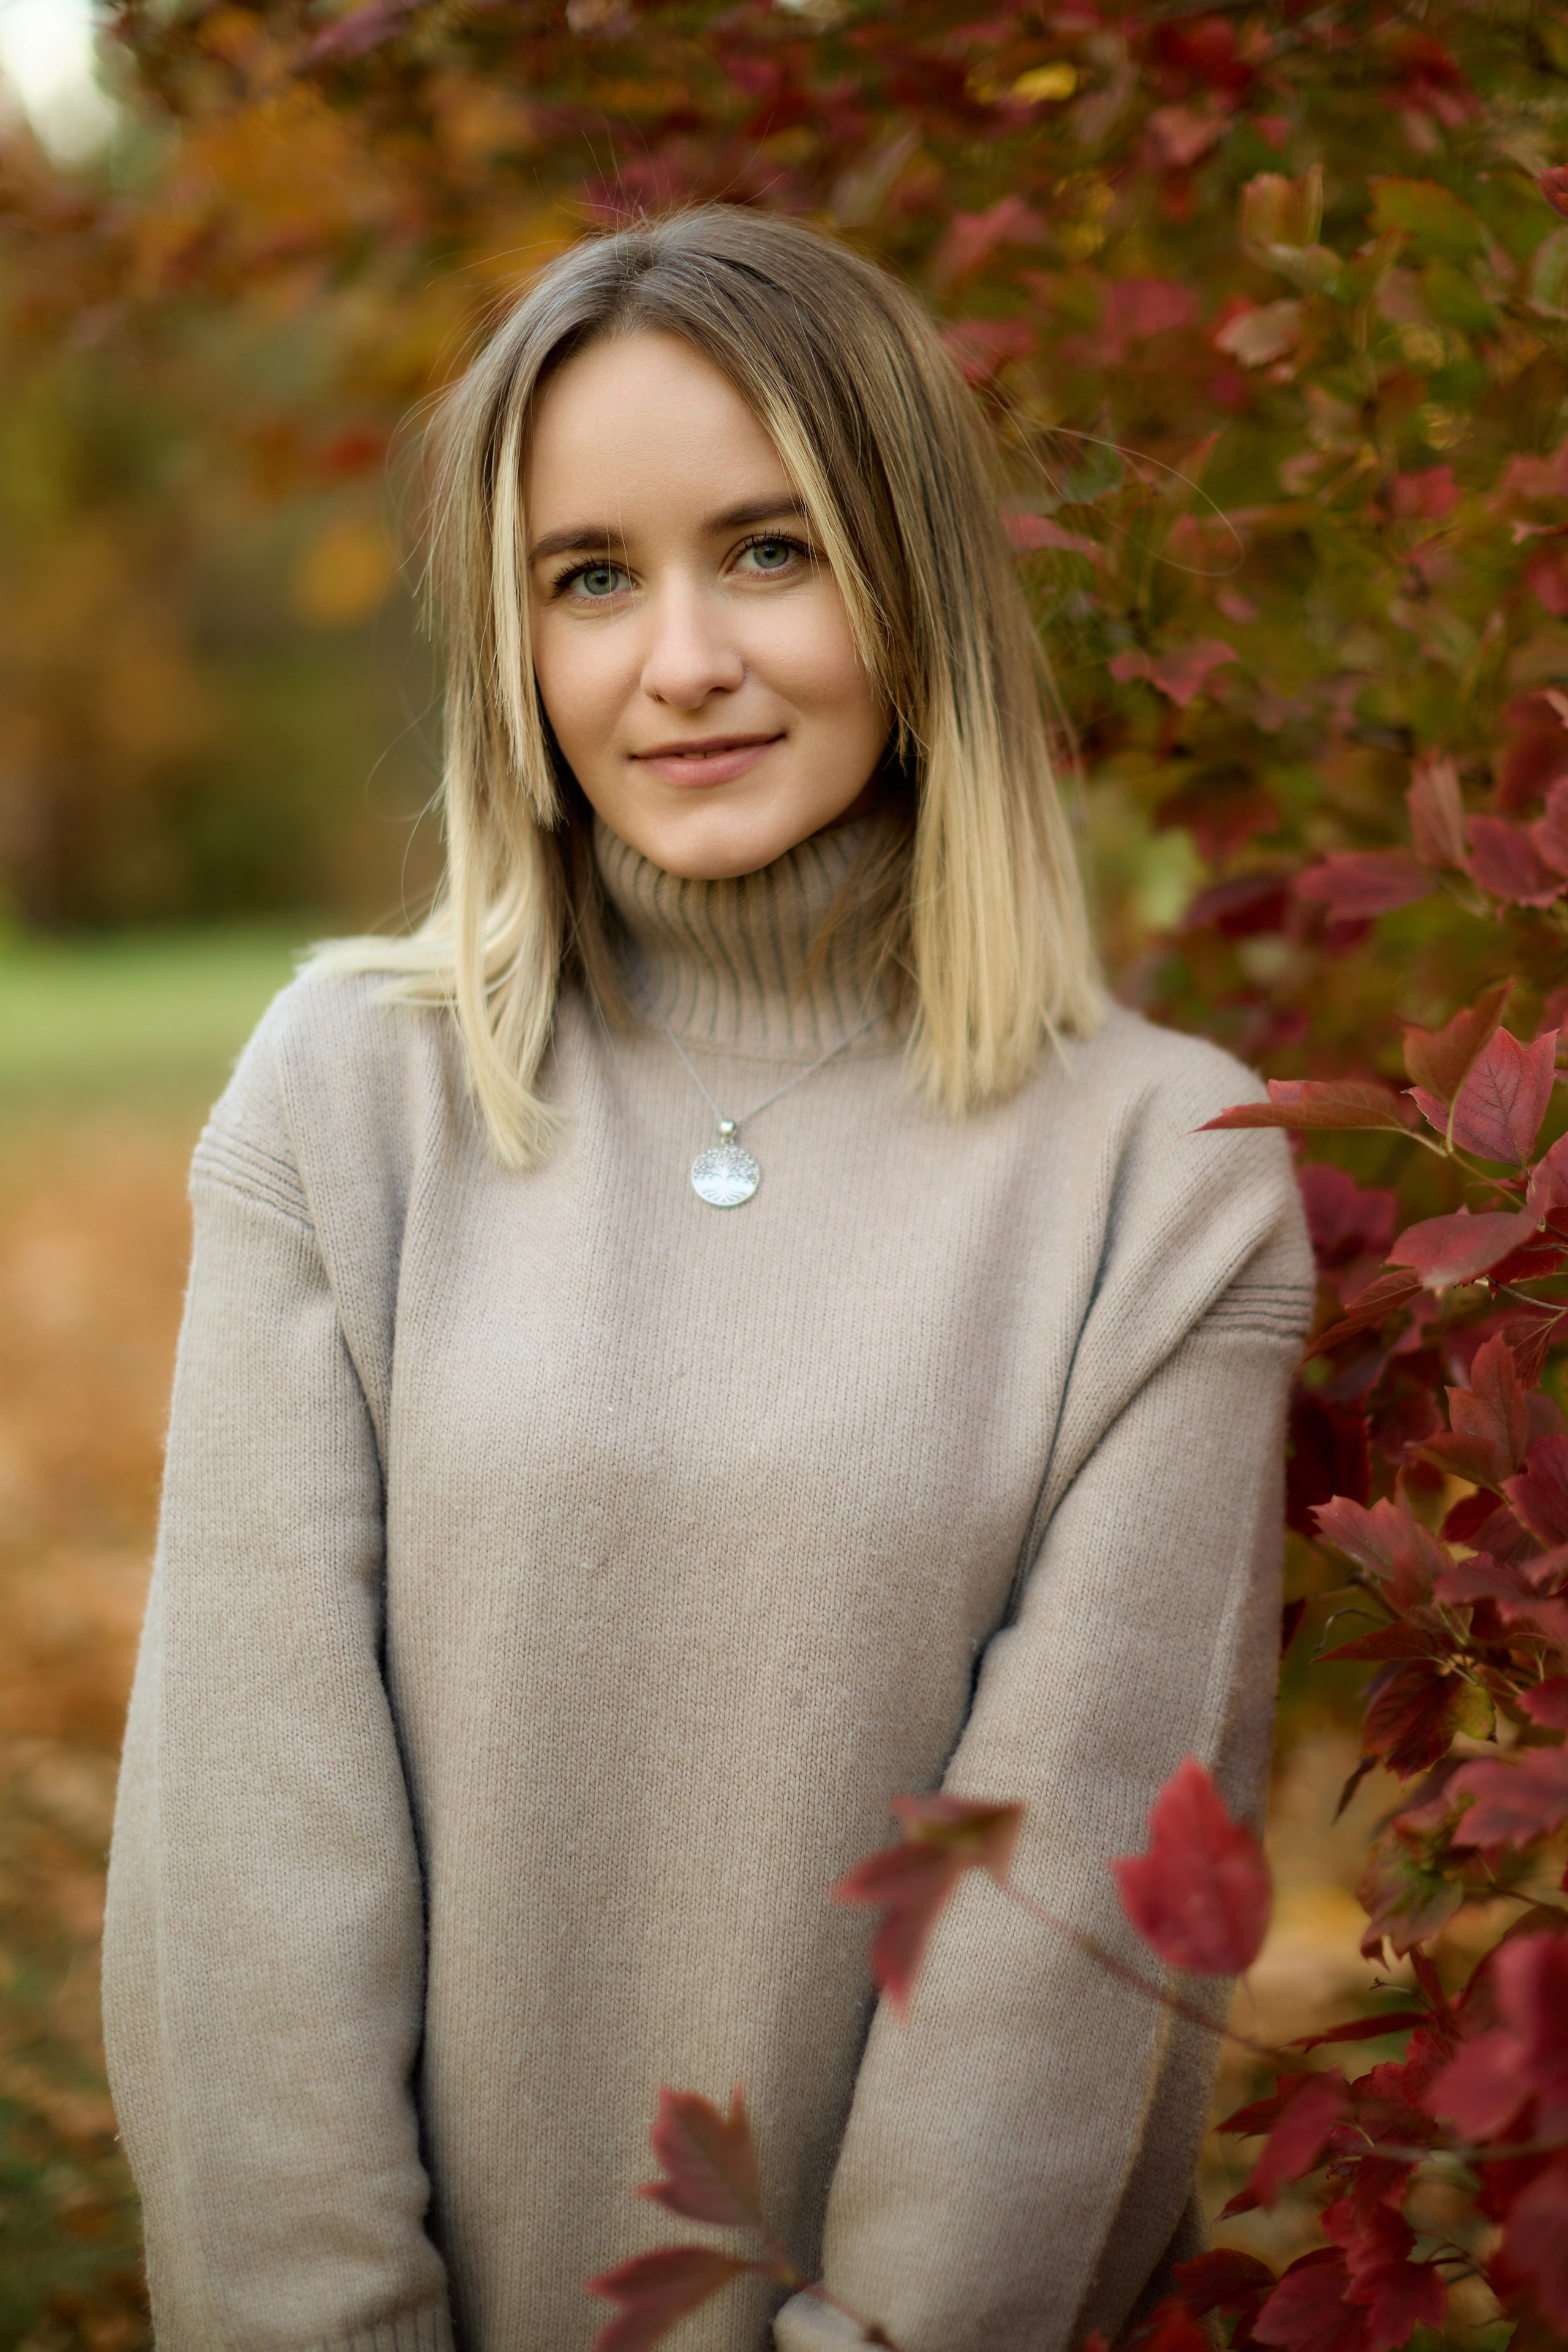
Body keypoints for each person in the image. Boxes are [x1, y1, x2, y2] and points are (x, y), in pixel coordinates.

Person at [103, 206, 1313, 2352]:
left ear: (913, 581)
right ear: (514, 644)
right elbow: (247, 1873)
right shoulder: (348, 1099)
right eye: (590, 577)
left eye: (769, 551)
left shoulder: (1163, 1182)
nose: (678, 662)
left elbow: (1055, 1969)